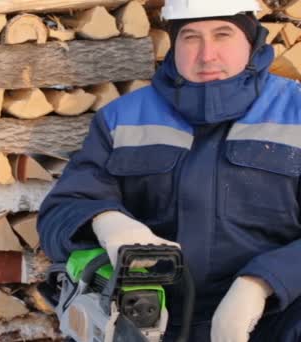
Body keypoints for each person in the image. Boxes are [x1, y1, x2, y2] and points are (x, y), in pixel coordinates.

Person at [37, 0, 301, 340]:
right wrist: (106, 222)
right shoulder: (123, 119)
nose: (207, 55)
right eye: (191, 37)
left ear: (252, 40)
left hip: (277, 321)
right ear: (173, 43)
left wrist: (262, 283)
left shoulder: (295, 113)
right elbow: (62, 209)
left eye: (223, 34)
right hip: (150, 323)